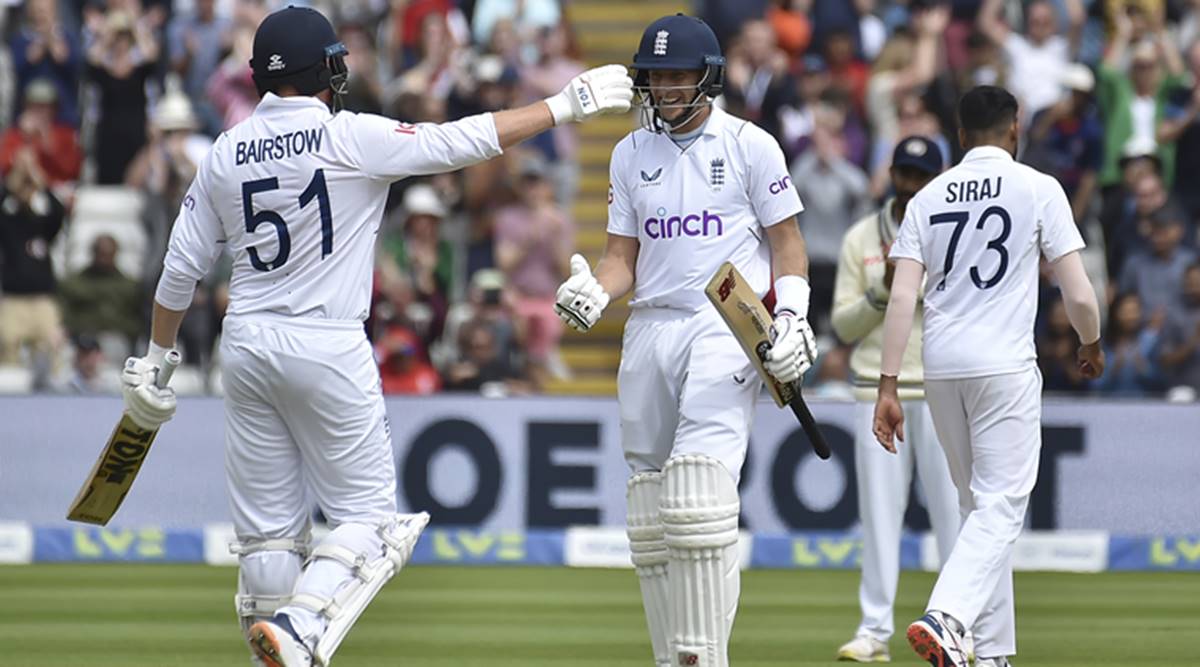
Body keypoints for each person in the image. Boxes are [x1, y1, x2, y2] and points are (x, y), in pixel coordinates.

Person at [116, 6, 632, 666]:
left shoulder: (225, 149)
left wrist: (158, 359)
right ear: (323, 70)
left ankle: (272, 641)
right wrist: (565, 105)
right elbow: (459, 141)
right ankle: (301, 628)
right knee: (374, 524)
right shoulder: (349, 136)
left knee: (270, 541)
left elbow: (180, 268)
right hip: (326, 341)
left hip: (243, 345)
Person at [554, 15, 818, 667]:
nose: (666, 87)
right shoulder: (629, 151)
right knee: (651, 506)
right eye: (656, 76)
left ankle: (704, 659)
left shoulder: (751, 145)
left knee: (697, 494)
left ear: (708, 76)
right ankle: (675, 658)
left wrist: (795, 318)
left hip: (724, 321)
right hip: (650, 324)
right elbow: (623, 258)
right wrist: (597, 289)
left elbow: (788, 246)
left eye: (678, 75)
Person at [873, 86, 1105, 667]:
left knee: (980, 511)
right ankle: (948, 617)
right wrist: (1091, 340)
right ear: (1015, 128)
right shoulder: (1038, 187)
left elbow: (903, 298)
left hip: (942, 368)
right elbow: (1076, 290)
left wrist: (887, 384)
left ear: (958, 135)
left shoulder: (927, 197)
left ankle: (995, 653)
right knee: (1001, 509)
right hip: (1003, 365)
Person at [831, 136, 962, 663]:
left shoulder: (956, 234)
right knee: (880, 516)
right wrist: (884, 291)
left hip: (941, 389)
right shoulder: (862, 236)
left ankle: (960, 622)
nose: (911, 185)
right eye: (904, 174)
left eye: (921, 175)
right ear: (891, 174)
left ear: (939, 178)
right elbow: (842, 326)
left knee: (955, 515)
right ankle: (873, 632)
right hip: (874, 388)